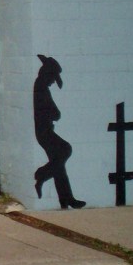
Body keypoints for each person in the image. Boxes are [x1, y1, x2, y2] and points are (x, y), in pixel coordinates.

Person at [33, 55, 85, 209]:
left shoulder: (41, 86)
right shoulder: (41, 88)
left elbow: (53, 112)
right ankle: (41, 174)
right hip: (44, 132)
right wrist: (53, 113)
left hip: (44, 130)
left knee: (58, 165)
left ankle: (65, 199)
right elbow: (55, 113)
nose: (53, 82)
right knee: (65, 149)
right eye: (53, 78)